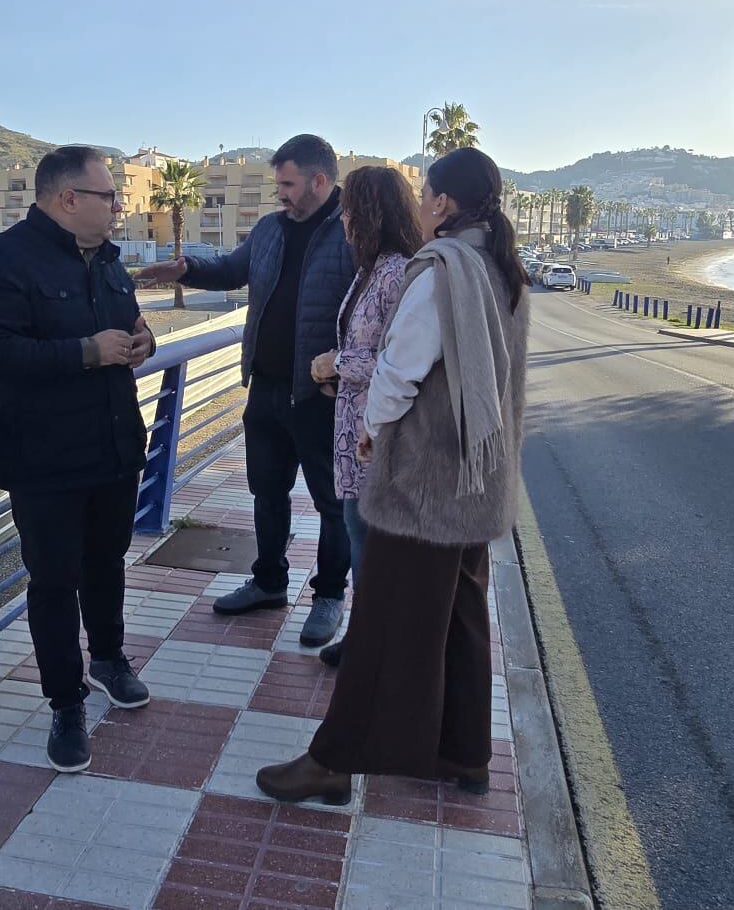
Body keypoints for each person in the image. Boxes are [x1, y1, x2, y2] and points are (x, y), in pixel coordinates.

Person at [255, 146, 530, 804]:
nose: (422, 203)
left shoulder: (441, 269)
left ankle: (333, 762)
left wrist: (373, 431)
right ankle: (465, 754)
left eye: (427, 192)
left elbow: (398, 370)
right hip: (479, 474)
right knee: (461, 615)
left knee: (381, 621)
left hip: (425, 480)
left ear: (442, 202)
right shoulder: (502, 267)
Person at [0, 145, 156, 774]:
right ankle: (66, 702)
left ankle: (109, 659)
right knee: (53, 582)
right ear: (69, 198)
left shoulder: (110, 261)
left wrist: (143, 341)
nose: (118, 207)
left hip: (114, 446)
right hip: (45, 458)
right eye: (110, 196)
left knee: (108, 563)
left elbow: (128, 324)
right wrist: (86, 353)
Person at [136, 134, 355, 646]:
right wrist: (188, 269)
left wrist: (347, 370)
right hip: (266, 389)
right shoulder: (270, 229)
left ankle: (328, 596)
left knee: (333, 503)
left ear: (319, 181)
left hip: (323, 396)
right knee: (266, 492)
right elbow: (233, 270)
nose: (280, 193)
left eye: (288, 184)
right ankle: (269, 583)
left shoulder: (353, 231)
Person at [307, 166, 423, 668]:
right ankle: (369, 636)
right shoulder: (371, 269)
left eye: (350, 209)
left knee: (371, 544)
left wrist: (335, 364)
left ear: (371, 213)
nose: (344, 219)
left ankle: (374, 645)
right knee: (361, 538)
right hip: (355, 432)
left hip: (376, 436)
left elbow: (403, 361)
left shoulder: (398, 273)